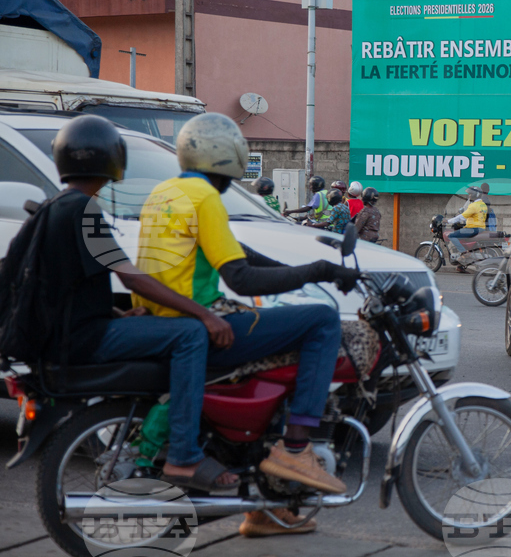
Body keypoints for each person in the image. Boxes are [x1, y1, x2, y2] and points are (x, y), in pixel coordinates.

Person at [134, 113, 364, 511]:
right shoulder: (206, 197)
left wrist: (310, 272)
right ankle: (295, 446)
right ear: (228, 158)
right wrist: (322, 271)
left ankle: (272, 505)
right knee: (322, 321)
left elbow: (235, 253)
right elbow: (240, 278)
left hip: (163, 322)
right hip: (199, 324)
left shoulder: (166, 191)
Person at [18, 115, 241, 494]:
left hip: (70, 333)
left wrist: (122, 313)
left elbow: (66, 289)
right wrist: (203, 313)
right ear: (113, 159)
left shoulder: (54, 206)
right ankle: (185, 454)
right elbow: (132, 277)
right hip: (84, 339)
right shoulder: (84, 212)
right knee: (190, 334)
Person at [447, 186, 488, 255]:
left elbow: (462, 217)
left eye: (470, 194)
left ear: (476, 195)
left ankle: (464, 253)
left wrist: (448, 221)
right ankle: (461, 263)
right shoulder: (483, 205)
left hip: (473, 228)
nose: (469, 196)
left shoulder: (474, 205)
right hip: (481, 228)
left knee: (451, 236)